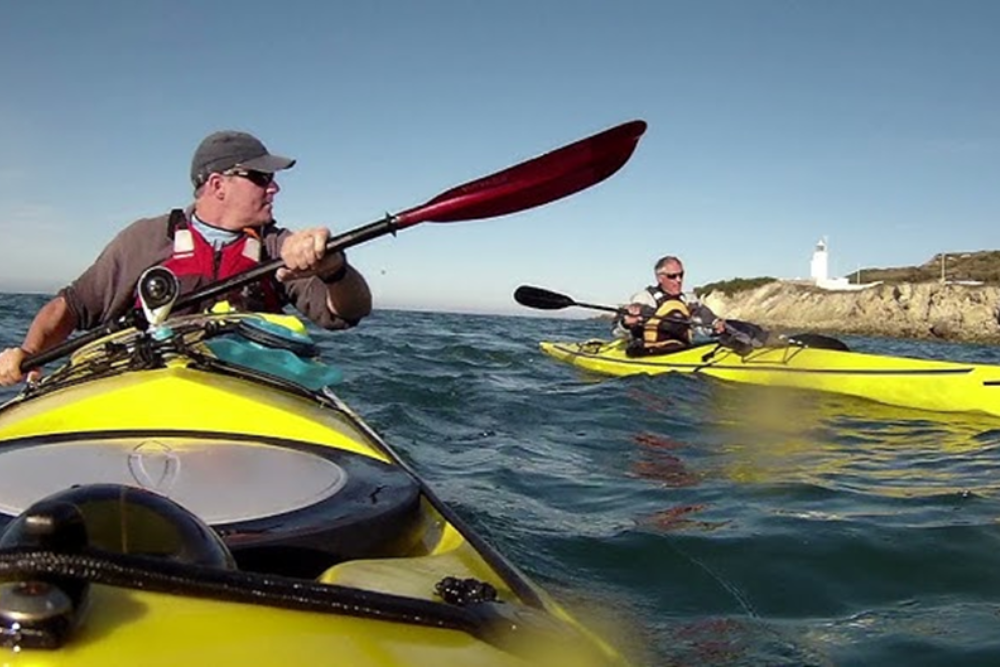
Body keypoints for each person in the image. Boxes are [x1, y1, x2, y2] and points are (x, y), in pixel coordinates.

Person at [0, 130, 372, 386]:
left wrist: (334, 269)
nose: (274, 187)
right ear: (217, 185)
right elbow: (72, 307)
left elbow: (349, 312)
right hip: (150, 385)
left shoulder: (282, 247)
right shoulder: (145, 239)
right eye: (260, 177)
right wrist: (30, 352)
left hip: (250, 389)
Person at [613, 255, 726, 356]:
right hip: (649, 354)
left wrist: (717, 325)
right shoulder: (644, 298)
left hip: (682, 351)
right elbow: (616, 330)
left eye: (681, 275)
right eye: (672, 276)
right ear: (660, 278)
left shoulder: (688, 301)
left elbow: (703, 320)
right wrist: (626, 323)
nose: (679, 280)